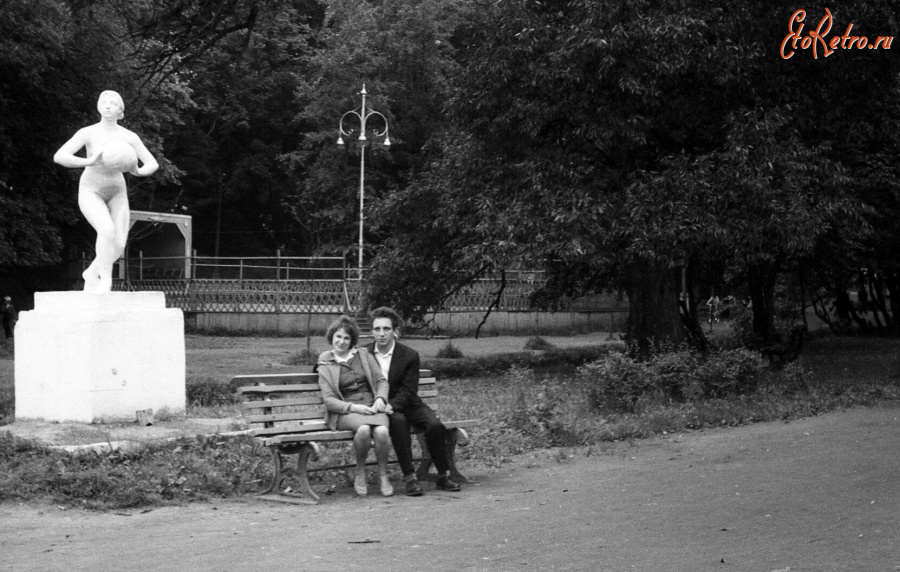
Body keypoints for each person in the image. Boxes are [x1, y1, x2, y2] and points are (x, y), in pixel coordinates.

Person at [53, 90, 159, 294]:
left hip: (117, 190)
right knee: (106, 230)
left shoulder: (129, 136)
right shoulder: (88, 132)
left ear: (121, 111)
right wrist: (89, 161)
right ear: (98, 106)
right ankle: (106, 281)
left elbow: (152, 163)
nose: (108, 105)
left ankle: (91, 272)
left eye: (113, 103)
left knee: (119, 244)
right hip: (91, 189)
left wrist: (137, 171)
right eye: (104, 101)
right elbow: (60, 156)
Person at [367, 306, 462, 496]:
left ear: (395, 331)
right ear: (372, 332)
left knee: (434, 425)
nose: (382, 334)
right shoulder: (365, 355)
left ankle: (443, 475)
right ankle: (410, 477)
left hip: (408, 402)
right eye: (377, 329)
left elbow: (410, 390)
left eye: (386, 329)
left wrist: (391, 404)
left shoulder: (409, 355)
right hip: (383, 408)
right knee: (399, 423)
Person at [316, 315, 394, 497]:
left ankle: (383, 474)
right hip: (345, 410)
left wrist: (381, 399)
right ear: (331, 337)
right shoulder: (325, 360)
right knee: (364, 429)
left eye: (346, 338)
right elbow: (329, 400)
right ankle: (360, 471)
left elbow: (382, 380)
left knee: (382, 431)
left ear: (352, 340)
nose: (341, 342)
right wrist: (354, 408)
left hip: (371, 405)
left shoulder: (363, 355)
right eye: (338, 337)